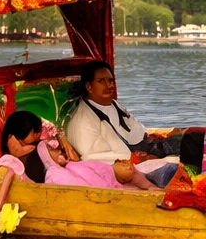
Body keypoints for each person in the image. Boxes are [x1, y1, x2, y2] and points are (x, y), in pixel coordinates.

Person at [0, 111, 152, 210]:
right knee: (92, 185)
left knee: (100, 175)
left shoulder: (39, 144)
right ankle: (131, 193)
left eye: (37, 132)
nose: (37, 135)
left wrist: (61, 157)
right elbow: (8, 176)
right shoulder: (13, 160)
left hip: (69, 169)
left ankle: (147, 187)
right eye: (33, 132)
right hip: (58, 178)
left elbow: (58, 154)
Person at [64, 60, 177, 188]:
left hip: (144, 148)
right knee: (174, 167)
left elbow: (137, 131)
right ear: (89, 86)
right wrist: (137, 159)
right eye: (101, 81)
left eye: (110, 81)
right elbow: (93, 158)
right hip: (130, 164)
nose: (109, 85)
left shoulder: (113, 104)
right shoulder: (82, 120)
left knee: (191, 138)